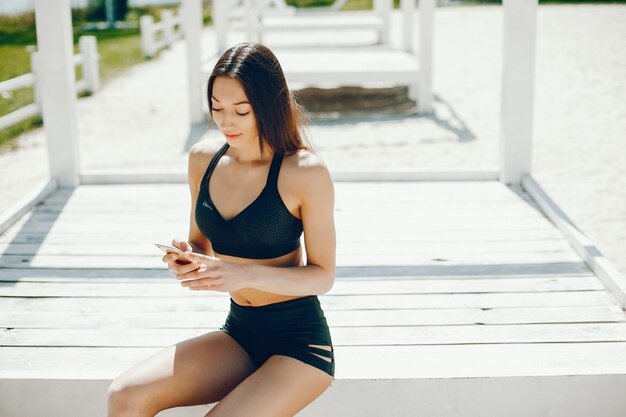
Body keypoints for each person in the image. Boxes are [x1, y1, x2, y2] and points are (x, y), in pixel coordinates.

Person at [107, 42, 336, 417]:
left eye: (241, 111)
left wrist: (243, 273)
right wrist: (187, 259)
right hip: (239, 333)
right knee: (125, 396)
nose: (226, 122)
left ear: (268, 105)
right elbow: (201, 245)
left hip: (299, 344)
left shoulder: (304, 172)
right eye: (217, 108)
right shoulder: (203, 160)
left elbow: (323, 276)